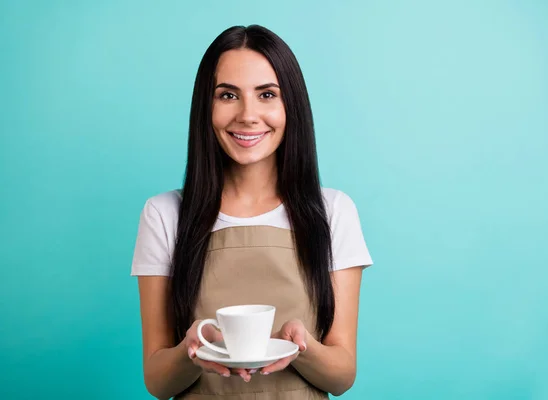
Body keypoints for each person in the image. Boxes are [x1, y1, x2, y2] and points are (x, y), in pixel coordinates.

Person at [130, 24, 373, 400]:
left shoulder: (333, 211)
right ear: (205, 107)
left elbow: (342, 376)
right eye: (228, 95)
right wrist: (191, 350)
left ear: (290, 105)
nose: (248, 115)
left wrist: (301, 344)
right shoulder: (164, 214)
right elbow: (158, 382)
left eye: (267, 94)